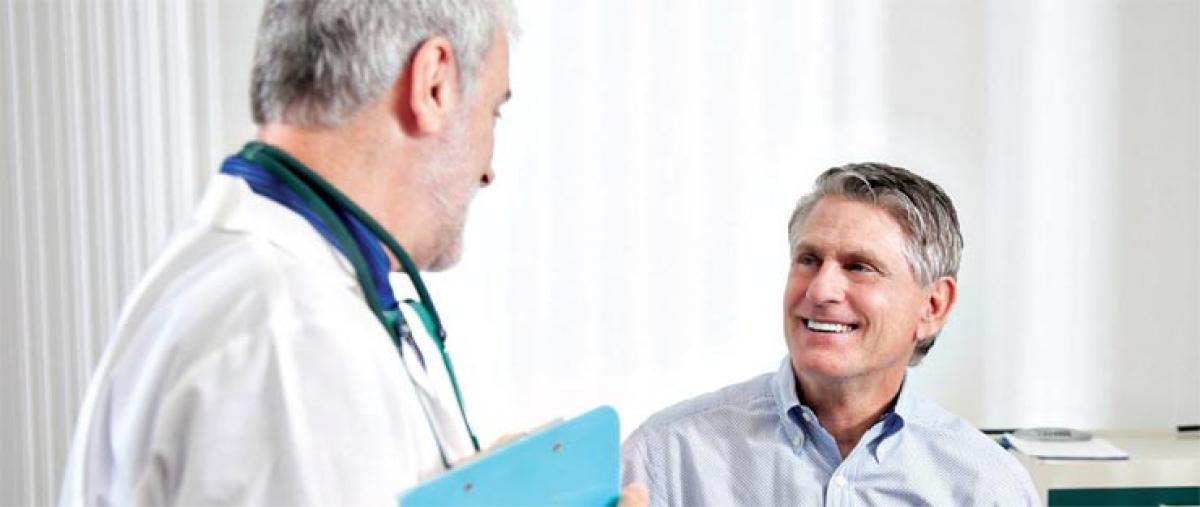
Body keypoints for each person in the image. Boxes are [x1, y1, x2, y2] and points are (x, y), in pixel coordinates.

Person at [60, 1, 647, 505]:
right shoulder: (293, 342)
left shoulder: (255, 286)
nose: (488, 170)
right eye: (493, 110)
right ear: (434, 83)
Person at [622, 163, 1038, 505]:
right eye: (808, 260)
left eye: (859, 267)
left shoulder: (986, 487)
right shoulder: (666, 457)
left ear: (933, 306)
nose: (820, 290)